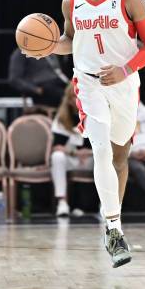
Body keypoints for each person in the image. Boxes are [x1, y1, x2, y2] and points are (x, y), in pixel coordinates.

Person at [22, 0, 145, 268]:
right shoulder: (71, 1)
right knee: (100, 149)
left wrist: (125, 69)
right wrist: (47, 48)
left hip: (124, 82)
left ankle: (113, 218)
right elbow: (70, 41)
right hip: (88, 82)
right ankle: (114, 229)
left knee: (120, 157)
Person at [50, 84, 93, 217]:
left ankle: (104, 205)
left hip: (92, 158)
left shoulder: (95, 115)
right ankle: (62, 202)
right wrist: (75, 153)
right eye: (74, 97)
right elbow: (57, 146)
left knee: (106, 158)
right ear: (68, 99)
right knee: (57, 157)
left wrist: (89, 152)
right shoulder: (62, 118)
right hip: (72, 157)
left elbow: (106, 143)